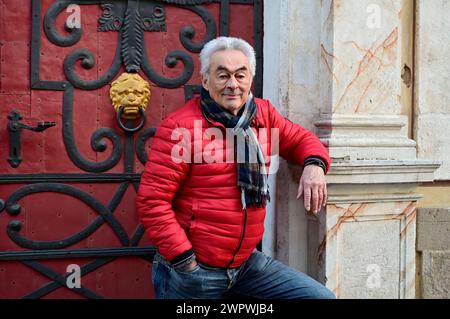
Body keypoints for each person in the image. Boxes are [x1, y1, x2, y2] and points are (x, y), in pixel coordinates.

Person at [136, 36, 335, 299]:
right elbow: (152, 201)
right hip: (195, 271)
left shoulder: (262, 115)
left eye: (240, 75)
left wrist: (315, 165)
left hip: (246, 265)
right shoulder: (181, 128)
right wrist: (185, 261)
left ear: (250, 79)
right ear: (205, 81)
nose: (233, 85)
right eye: (223, 75)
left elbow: (300, 139)